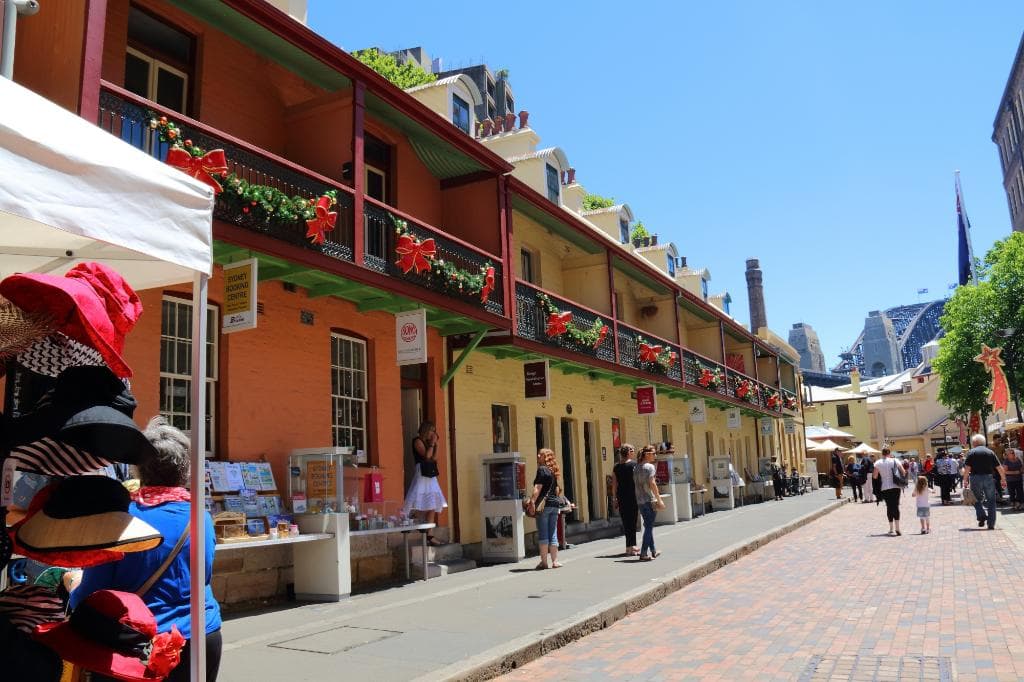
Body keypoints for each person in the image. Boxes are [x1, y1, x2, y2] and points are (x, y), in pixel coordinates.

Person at [70, 416, 222, 682]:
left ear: (139, 468)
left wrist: (72, 586)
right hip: (200, 636)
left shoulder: (121, 519)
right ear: (185, 470)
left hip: (136, 644)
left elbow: (92, 592)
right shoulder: (201, 516)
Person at [403, 421, 447, 545]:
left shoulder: (429, 444)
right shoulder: (417, 441)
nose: (433, 433)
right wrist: (432, 444)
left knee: (432, 504)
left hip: (430, 474)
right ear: (426, 431)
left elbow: (434, 458)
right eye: (431, 431)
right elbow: (426, 457)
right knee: (418, 499)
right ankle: (412, 518)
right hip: (422, 473)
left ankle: (430, 535)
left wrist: (436, 445)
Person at [528, 448, 563, 569]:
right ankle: (555, 561)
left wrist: (532, 501)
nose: (538, 456)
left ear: (546, 457)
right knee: (552, 533)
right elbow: (557, 490)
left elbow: (538, 488)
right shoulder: (553, 471)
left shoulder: (542, 470)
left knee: (543, 533)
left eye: (541, 455)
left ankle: (544, 562)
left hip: (544, 506)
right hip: (554, 504)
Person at [963, 434, 1007, 530]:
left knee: (975, 499)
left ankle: (981, 514)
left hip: (975, 478)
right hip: (988, 477)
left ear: (975, 443)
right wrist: (1003, 479)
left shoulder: (971, 452)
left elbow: (967, 468)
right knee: (991, 500)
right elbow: (999, 467)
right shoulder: (990, 452)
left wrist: (965, 480)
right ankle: (991, 524)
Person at [633, 445, 664, 561]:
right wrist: (659, 499)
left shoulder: (636, 468)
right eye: (653, 453)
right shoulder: (650, 467)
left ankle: (653, 551)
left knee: (648, 525)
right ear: (647, 454)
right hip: (649, 500)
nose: (655, 455)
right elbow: (652, 484)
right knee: (649, 526)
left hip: (640, 501)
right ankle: (643, 553)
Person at [611, 444, 639, 555]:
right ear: (628, 452)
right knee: (632, 521)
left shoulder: (616, 467)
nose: (633, 452)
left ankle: (629, 547)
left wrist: (614, 498)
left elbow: (614, 484)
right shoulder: (634, 465)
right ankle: (632, 547)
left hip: (621, 496)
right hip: (633, 495)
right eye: (632, 450)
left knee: (626, 521)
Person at [873, 447, 906, 536]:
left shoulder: (878, 462)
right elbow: (903, 472)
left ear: (882, 453)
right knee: (896, 506)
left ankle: (891, 528)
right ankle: (898, 528)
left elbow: (875, 476)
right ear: (889, 453)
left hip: (885, 487)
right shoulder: (895, 460)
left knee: (889, 506)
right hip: (895, 486)